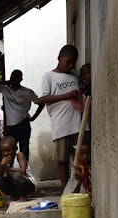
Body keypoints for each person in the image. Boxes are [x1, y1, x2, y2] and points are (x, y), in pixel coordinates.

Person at [37, 45, 82, 188]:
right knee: (63, 159)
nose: (70, 65)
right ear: (59, 58)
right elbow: (42, 99)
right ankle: (65, 189)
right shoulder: (49, 76)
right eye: (67, 61)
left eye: (73, 63)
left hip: (78, 123)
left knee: (79, 158)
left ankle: (79, 186)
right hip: (61, 125)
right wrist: (65, 96)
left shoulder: (74, 75)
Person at [0, 70, 45, 161]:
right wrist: (7, 82)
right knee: (9, 151)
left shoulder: (27, 92)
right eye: (12, 77)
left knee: (24, 151)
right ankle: (10, 172)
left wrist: (33, 117)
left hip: (23, 124)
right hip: (10, 126)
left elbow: (41, 104)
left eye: (16, 77)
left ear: (21, 79)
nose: (13, 80)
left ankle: (24, 172)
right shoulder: (5, 90)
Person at [0, 136, 36, 202]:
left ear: (15, 149)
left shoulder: (19, 156)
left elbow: (23, 170)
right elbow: (0, 175)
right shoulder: (6, 159)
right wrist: (2, 165)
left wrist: (9, 168)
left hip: (27, 184)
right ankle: (14, 195)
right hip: (15, 184)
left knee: (17, 175)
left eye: (9, 150)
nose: (6, 153)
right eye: (3, 151)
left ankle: (23, 195)